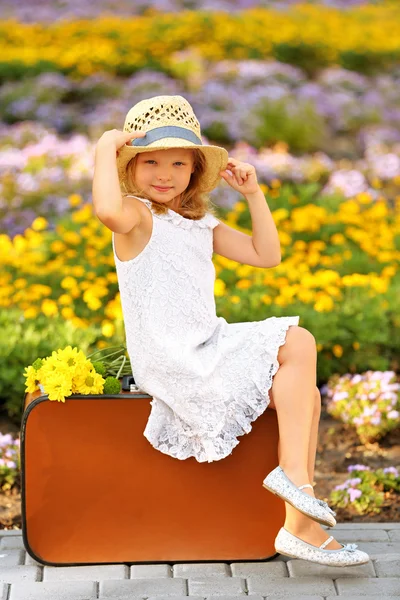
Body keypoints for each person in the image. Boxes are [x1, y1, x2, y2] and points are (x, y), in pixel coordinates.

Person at [92, 94, 369, 567]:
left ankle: (299, 525)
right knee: (297, 342)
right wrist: (103, 147)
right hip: (175, 358)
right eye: (150, 162)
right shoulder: (136, 217)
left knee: (303, 392)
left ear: (196, 169)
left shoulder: (199, 225)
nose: (164, 173)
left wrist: (253, 195)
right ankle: (298, 487)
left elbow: (267, 254)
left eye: (178, 162)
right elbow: (105, 211)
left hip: (207, 345)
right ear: (129, 170)